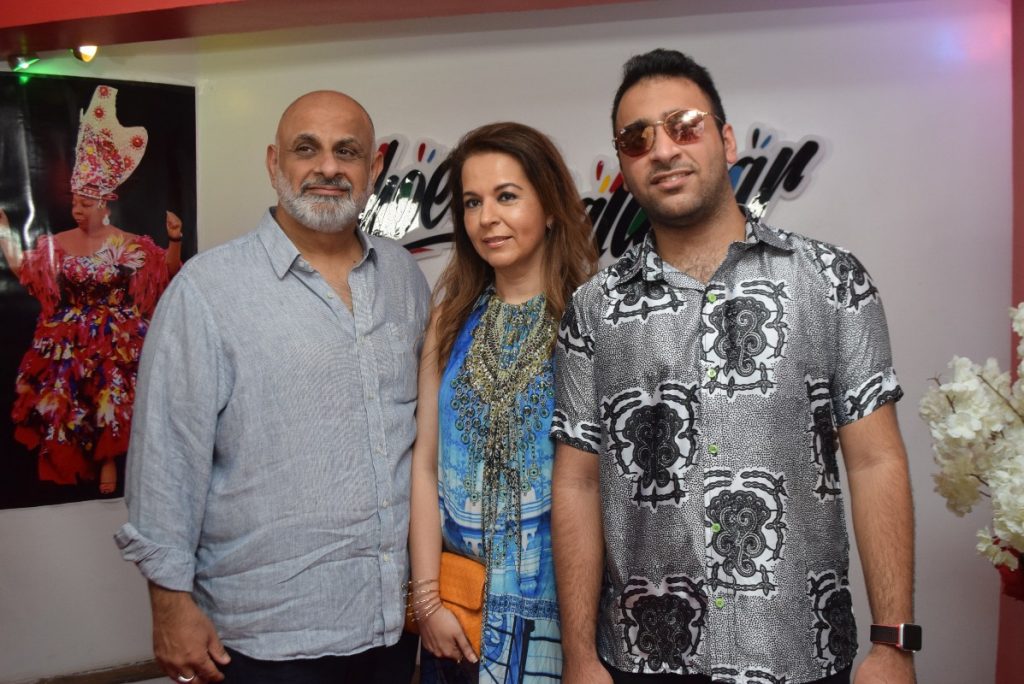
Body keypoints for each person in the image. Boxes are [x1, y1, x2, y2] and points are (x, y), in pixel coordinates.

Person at [551, 49, 918, 684]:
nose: (663, 150)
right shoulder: (593, 309)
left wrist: (894, 642)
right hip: (645, 657)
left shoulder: (831, 281)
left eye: (683, 125)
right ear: (623, 167)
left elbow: (875, 461)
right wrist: (580, 656)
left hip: (801, 651)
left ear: (725, 139)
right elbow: (577, 484)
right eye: (638, 139)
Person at [115, 90, 430, 684]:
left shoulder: (403, 277)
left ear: (374, 168)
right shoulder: (207, 291)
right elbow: (165, 461)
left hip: (387, 626)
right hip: (262, 637)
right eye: (306, 149)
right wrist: (169, 606)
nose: (328, 167)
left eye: (347, 152)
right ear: (273, 163)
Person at [408, 122, 598, 683]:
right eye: (472, 202)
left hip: (568, 621)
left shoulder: (591, 317)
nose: (486, 218)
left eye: (507, 196)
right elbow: (425, 467)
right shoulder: (449, 321)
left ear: (551, 208)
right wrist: (427, 602)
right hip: (460, 620)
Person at [0, 84, 182, 496]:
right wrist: (5, 232)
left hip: (118, 336)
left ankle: (110, 461)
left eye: (84, 203)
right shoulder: (58, 243)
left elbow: (166, 276)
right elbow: (27, 272)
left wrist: (175, 240)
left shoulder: (130, 243)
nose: (76, 209)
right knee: (67, 396)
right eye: (74, 203)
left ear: (104, 203)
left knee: (113, 391)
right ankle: (79, 459)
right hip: (69, 334)